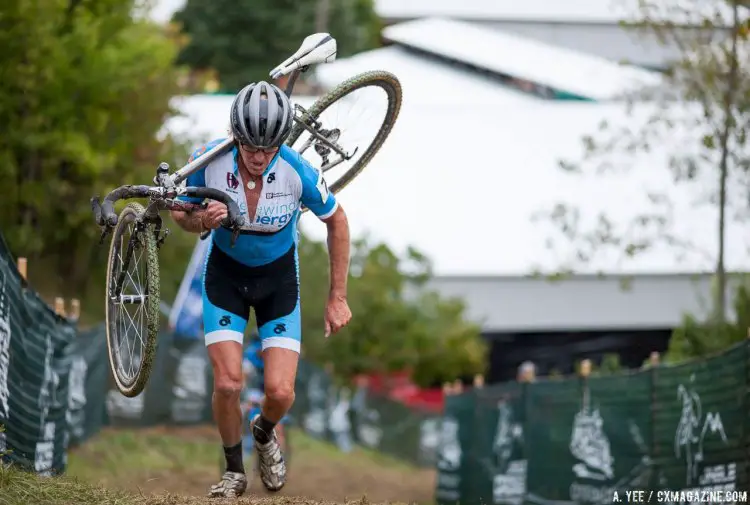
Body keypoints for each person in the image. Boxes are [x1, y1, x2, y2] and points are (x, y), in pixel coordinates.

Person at [169, 81, 352, 498]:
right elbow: (179, 212)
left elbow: (337, 221)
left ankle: (265, 431)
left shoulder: (296, 170)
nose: (257, 157)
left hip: (278, 280)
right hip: (226, 276)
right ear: (236, 136)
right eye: (250, 147)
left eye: (267, 149)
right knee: (230, 384)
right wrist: (202, 219)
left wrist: (337, 297)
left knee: (280, 392)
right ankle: (234, 470)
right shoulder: (209, 160)